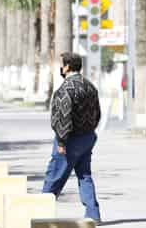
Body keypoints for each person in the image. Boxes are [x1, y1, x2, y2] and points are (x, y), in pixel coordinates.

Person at [42, 52, 101, 223]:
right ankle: (93, 215)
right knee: (84, 176)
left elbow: (63, 117)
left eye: (61, 64)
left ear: (67, 66)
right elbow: (97, 113)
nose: (60, 68)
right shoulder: (89, 86)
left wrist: (61, 141)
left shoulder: (66, 89)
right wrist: (89, 131)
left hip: (70, 140)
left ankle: (40, 214)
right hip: (87, 138)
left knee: (54, 176)